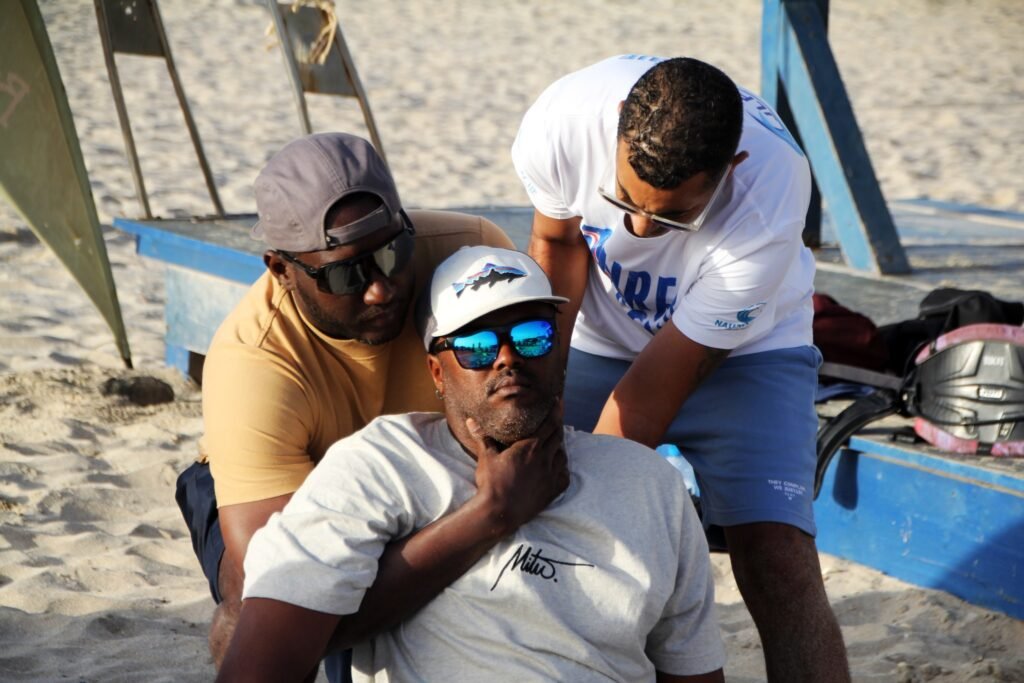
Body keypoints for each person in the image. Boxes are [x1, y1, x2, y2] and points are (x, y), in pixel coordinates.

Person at [218, 246, 726, 682]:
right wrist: (492, 513)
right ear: (437, 373)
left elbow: (693, 669)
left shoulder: (649, 483)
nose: (507, 357)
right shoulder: (383, 465)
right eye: (476, 346)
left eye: (532, 335)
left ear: (561, 352)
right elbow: (260, 663)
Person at [512, 55, 850, 681]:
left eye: (672, 218)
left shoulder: (771, 193)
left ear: (733, 167)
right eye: (622, 200)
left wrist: (585, 503)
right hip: (596, 334)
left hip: (748, 349)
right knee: (523, 491)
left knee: (777, 559)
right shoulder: (561, 121)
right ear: (618, 123)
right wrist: (540, 396)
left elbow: (646, 400)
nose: (639, 230)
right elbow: (558, 244)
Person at [174, 132, 553, 676]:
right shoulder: (252, 362)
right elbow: (286, 588)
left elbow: (536, 397)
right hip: (292, 481)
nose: (382, 288)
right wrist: (487, 516)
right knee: (250, 612)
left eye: (393, 252)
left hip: (430, 462)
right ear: (281, 270)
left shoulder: (468, 253)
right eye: (345, 274)